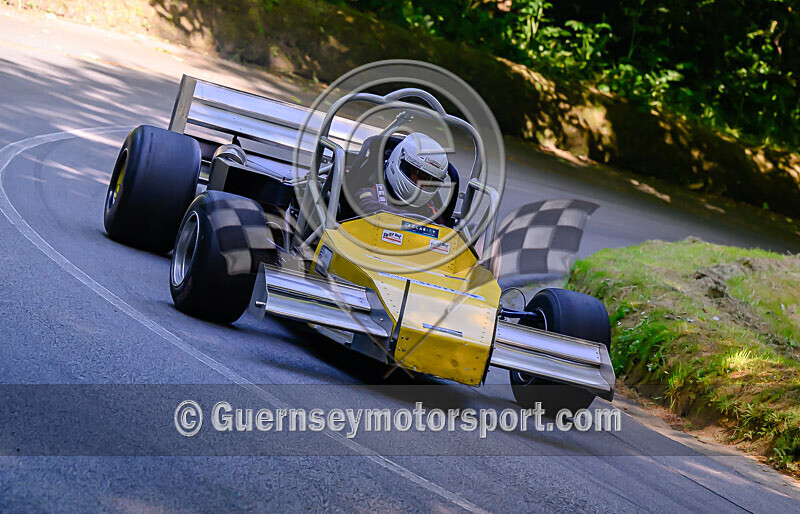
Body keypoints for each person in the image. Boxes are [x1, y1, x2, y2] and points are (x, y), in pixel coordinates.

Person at [350, 132, 453, 223]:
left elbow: (442, 228)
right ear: (402, 165)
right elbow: (366, 205)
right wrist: (409, 220)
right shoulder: (371, 192)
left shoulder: (428, 207)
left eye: (431, 180)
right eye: (421, 176)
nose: (424, 184)